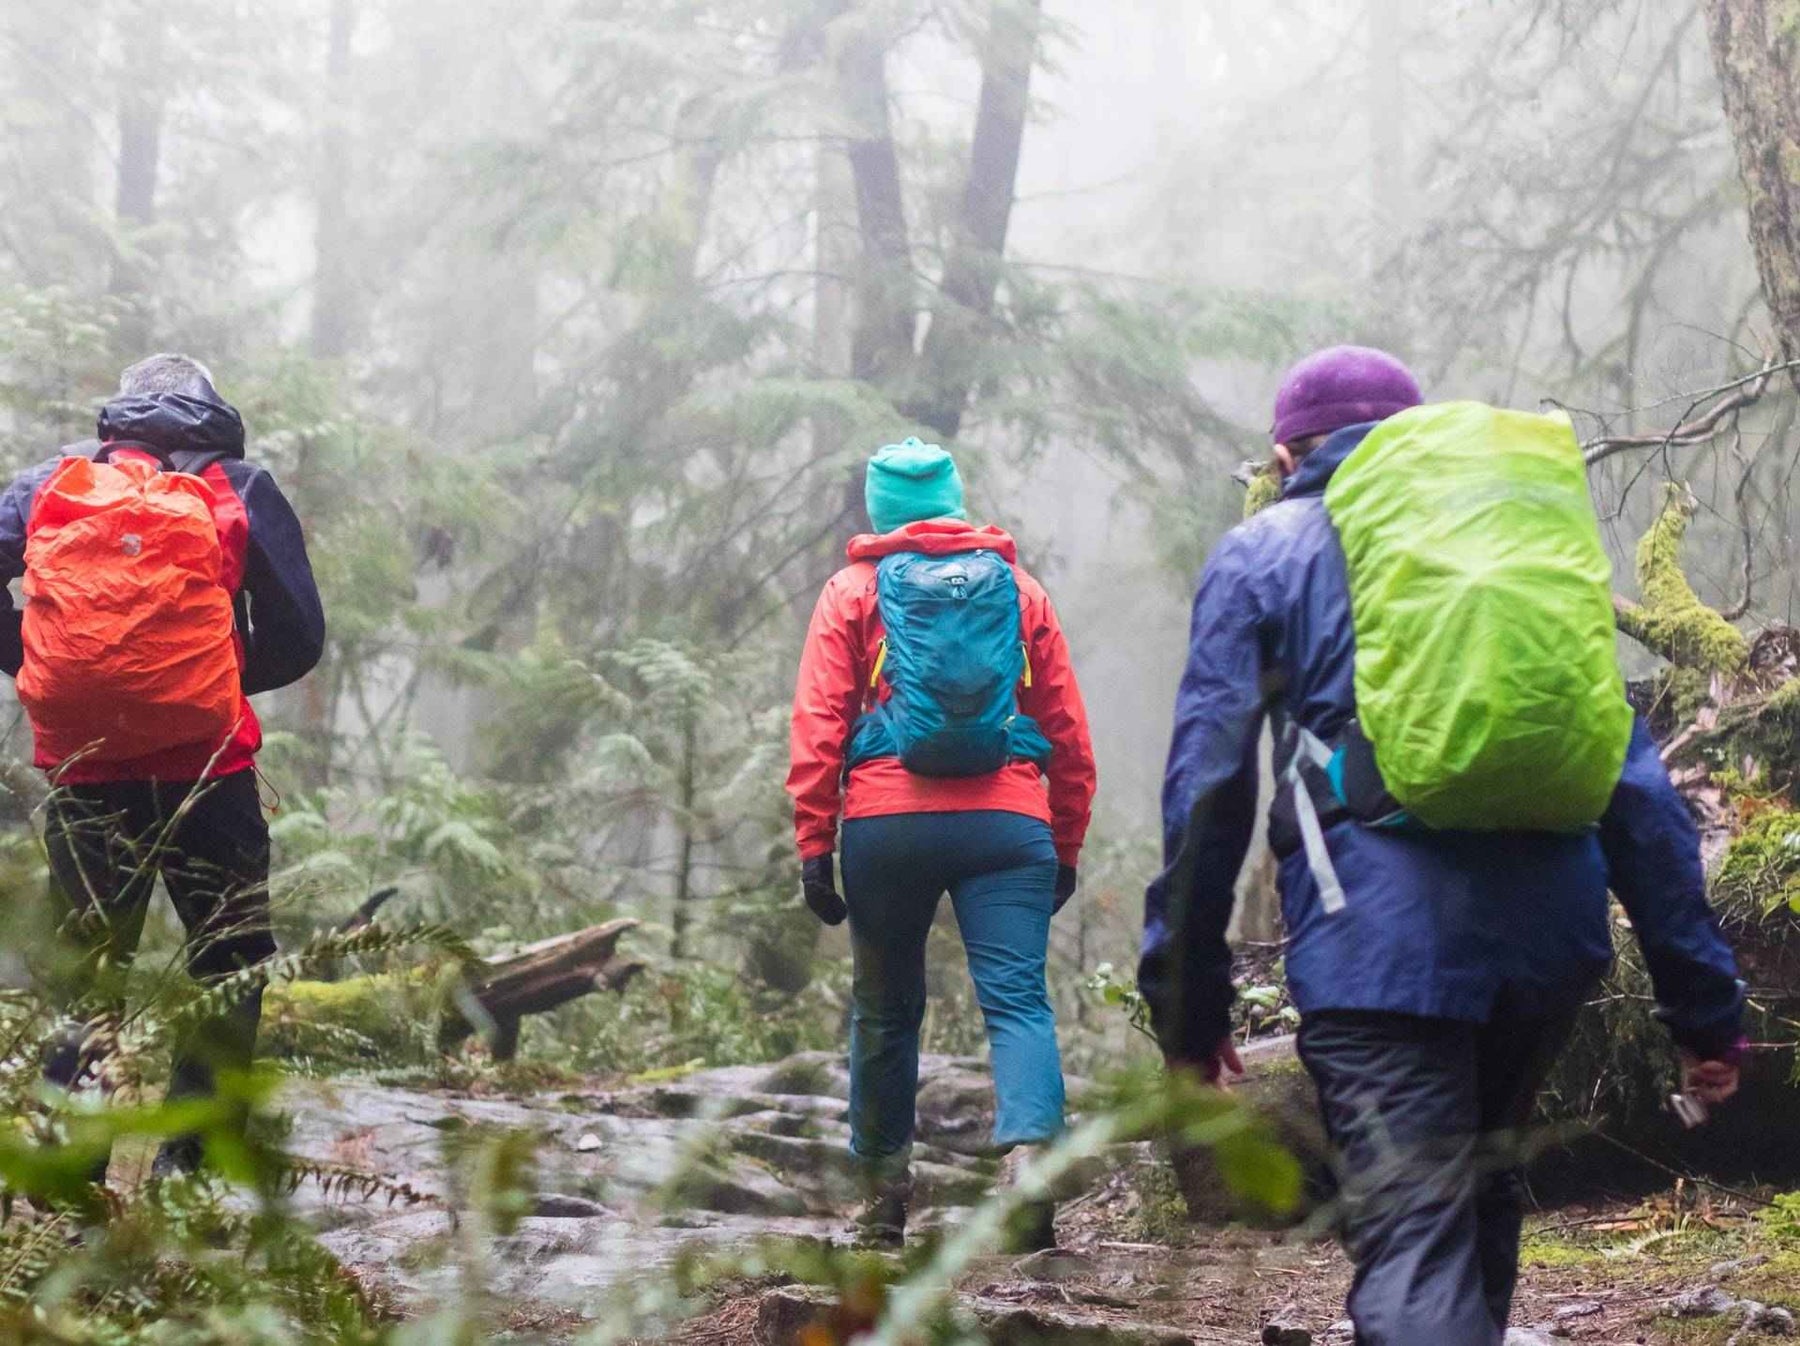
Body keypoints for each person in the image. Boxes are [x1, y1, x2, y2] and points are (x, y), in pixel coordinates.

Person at [1140, 346, 1745, 1345]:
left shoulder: (1264, 551)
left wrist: (1187, 1004)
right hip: (1549, 946)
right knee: (1479, 1192)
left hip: (1377, 954)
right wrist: (1703, 1007)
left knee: (1415, 1231)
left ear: (1285, 452)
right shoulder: (1507, 543)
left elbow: (1207, 786)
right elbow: (1632, 782)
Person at [3, 354, 325, 1182]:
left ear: (122, 409)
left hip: (87, 772)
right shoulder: (240, 487)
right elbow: (299, 636)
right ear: (212, 405)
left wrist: (34, 665)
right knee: (229, 961)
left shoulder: (49, 485)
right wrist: (202, 677)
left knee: (89, 971)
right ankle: (192, 1170)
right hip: (211, 773)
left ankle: (67, 1183)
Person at [787, 437, 1097, 1250]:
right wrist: (1063, 842)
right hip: (1008, 822)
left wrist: (815, 843)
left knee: (886, 1012)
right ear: (955, 500)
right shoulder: (1020, 591)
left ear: (878, 508)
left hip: (888, 827)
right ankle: (1028, 1159)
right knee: (1018, 1000)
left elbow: (820, 723)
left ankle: (882, 1202)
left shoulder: (852, 591)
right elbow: (1065, 728)